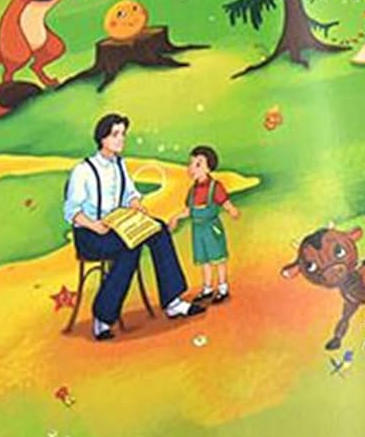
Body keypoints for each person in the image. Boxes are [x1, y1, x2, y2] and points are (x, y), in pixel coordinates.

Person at [63, 113, 203, 340]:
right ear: (102, 138)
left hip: (117, 227)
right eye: (115, 134)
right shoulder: (83, 170)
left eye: (123, 134)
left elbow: (130, 194)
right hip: (90, 234)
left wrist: (137, 205)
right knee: (130, 248)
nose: (121, 139)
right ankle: (103, 319)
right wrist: (95, 226)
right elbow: (71, 211)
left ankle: (173, 301)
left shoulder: (120, 165)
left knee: (158, 230)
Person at [169, 145, 241, 303]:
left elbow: (225, 202)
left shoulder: (215, 187)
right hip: (198, 230)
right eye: (191, 163)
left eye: (198, 164)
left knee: (218, 258)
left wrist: (232, 210)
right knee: (204, 260)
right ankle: (207, 288)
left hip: (211, 228)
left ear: (209, 168)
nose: (192, 168)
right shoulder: (192, 191)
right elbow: (189, 210)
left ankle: (222, 288)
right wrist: (176, 217)